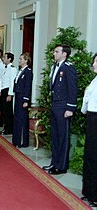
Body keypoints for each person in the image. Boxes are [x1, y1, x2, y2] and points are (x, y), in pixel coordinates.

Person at [42, 44, 78, 175]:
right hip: (55, 105)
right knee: (55, 135)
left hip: (64, 106)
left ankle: (61, 166)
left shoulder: (68, 68)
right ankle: (54, 163)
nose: (54, 53)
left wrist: (70, 108)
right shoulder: (54, 67)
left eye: (57, 51)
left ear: (64, 54)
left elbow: (73, 89)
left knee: (63, 136)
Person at [80, 53, 97, 207]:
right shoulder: (94, 80)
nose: (94, 64)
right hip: (91, 117)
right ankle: (88, 192)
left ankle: (95, 194)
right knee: (90, 155)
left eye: (96, 62)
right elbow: (87, 99)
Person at [12, 53, 33, 148]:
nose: (19, 60)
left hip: (22, 98)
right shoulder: (20, 71)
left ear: (26, 60)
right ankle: (16, 140)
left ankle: (22, 141)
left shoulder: (28, 72)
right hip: (18, 96)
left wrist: (26, 100)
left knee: (22, 119)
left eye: (21, 59)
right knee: (17, 118)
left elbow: (28, 86)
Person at [0, 52, 17, 135]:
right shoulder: (5, 68)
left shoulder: (12, 69)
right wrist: (0, 90)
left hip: (8, 91)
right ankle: (5, 127)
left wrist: (10, 94)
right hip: (3, 90)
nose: (3, 59)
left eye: (5, 57)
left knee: (7, 111)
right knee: (3, 110)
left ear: (9, 59)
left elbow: (12, 82)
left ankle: (9, 129)